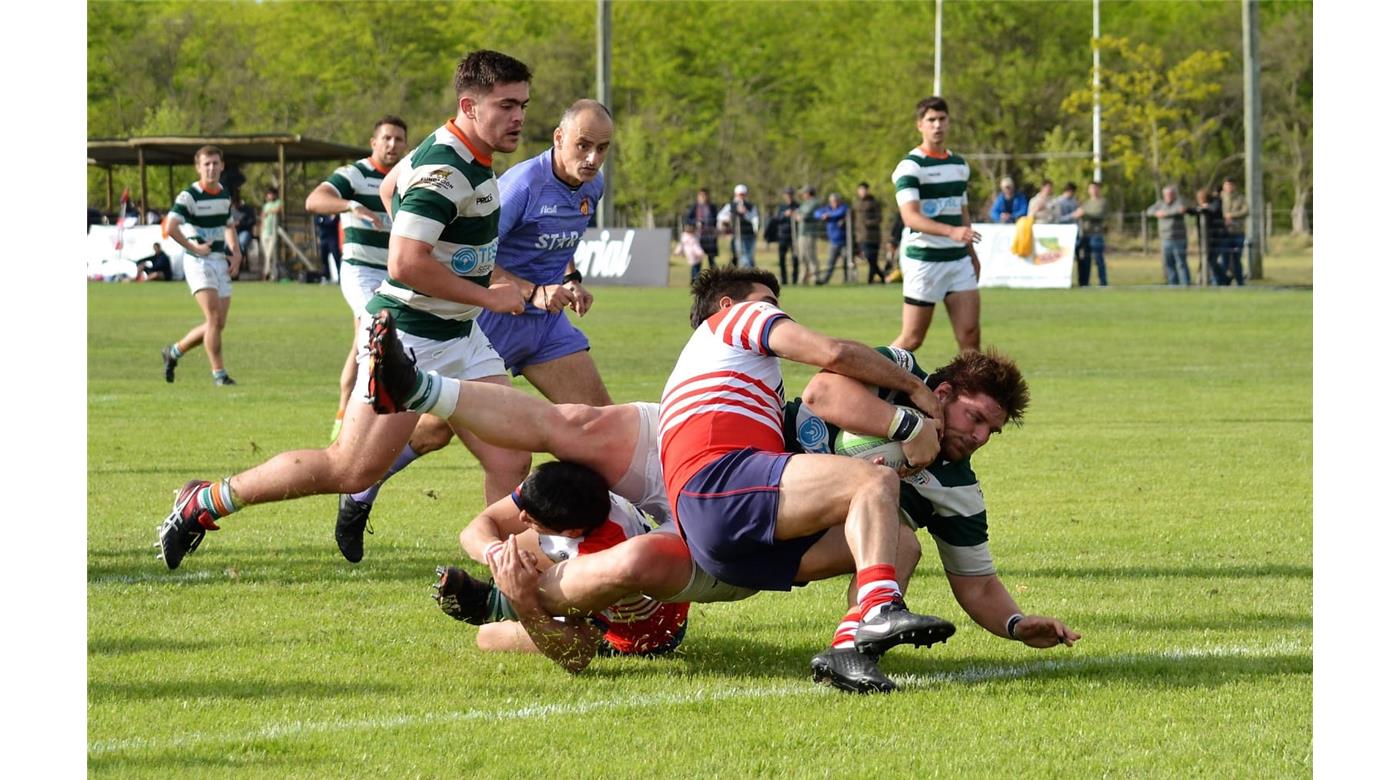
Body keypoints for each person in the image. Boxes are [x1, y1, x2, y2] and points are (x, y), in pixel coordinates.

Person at [155, 49, 537, 569]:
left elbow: (387, 186)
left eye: (523, 105)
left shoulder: (461, 148)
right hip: (411, 337)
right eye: (506, 105)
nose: (518, 117)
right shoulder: (447, 169)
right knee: (350, 468)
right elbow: (403, 263)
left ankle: (510, 584)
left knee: (511, 454)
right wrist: (488, 295)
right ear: (469, 105)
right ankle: (205, 501)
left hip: (459, 336)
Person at [790, 348, 1079, 655]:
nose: (980, 437)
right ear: (942, 393)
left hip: (793, 549)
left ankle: (850, 650)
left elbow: (978, 585)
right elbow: (820, 393)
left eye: (991, 431)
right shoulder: (897, 374)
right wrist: (908, 427)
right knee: (873, 486)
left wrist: (1016, 624)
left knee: (902, 543)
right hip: (754, 489)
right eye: (975, 417)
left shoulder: (958, 489)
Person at [304, 116, 454, 552]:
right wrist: (347, 206)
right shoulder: (356, 174)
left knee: (365, 348)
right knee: (375, 337)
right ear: (373, 141)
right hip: (362, 274)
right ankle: (354, 434)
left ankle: (348, 426)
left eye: (399, 139)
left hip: (399, 279)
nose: (392, 145)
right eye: (386, 138)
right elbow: (317, 199)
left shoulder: (411, 174)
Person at [442, 461, 688, 672]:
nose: (521, 518)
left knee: (487, 636)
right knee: (515, 544)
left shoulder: (596, 558)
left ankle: (497, 605)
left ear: (572, 532)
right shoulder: (569, 488)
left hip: (642, 636)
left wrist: (524, 604)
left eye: (532, 518)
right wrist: (495, 553)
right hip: (652, 591)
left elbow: (576, 654)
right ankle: (508, 592)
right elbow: (480, 526)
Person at [476, 99, 614, 408]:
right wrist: (532, 291)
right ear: (559, 138)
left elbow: (558, 239)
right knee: (434, 430)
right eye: (584, 145)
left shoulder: (593, 185)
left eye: (603, 148)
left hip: (546, 324)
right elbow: (470, 258)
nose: (593, 158)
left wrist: (571, 279)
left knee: (599, 420)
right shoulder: (521, 186)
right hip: (490, 322)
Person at [890, 96, 982, 354]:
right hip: (925, 261)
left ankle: (968, 395)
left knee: (970, 337)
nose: (937, 125)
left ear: (949, 122)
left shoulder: (959, 165)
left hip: (957, 260)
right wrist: (952, 232)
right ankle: (868, 382)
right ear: (920, 124)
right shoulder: (910, 166)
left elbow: (962, 210)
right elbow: (911, 218)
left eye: (942, 119)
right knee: (911, 340)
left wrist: (971, 253)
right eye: (931, 120)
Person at [160, 145, 243, 386]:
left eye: (215, 163)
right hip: (198, 262)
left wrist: (236, 253)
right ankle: (220, 375)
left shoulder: (224, 195)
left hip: (219, 261)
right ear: (198, 167)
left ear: (222, 165)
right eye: (206, 164)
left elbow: (228, 225)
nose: (211, 168)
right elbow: (171, 226)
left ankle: (174, 352)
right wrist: (194, 247)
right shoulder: (189, 196)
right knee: (214, 318)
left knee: (216, 324)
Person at [1147, 185, 1190, 285]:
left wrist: (1164, 214)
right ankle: (1173, 285)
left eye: (1170, 194)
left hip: (1179, 239)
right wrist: (1156, 213)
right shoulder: (1160, 203)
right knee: (1168, 264)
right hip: (1165, 239)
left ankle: (1186, 285)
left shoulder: (1179, 201)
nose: (1168, 196)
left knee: (1181, 263)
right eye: (1166, 194)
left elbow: (1180, 210)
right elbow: (1149, 211)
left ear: (1174, 194)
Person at [1187, 187, 1229, 285]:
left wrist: (1205, 207)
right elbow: (1192, 210)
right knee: (1206, 259)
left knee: (1210, 259)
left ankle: (1220, 279)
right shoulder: (1200, 206)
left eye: (1202, 198)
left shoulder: (1216, 202)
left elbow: (1213, 209)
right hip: (1204, 238)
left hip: (1216, 237)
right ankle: (1218, 279)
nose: (1200, 201)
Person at [1072, 181, 1109, 286]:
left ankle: (1103, 282)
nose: (1093, 190)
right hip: (1085, 235)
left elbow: (1099, 214)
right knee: (1085, 259)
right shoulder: (1086, 203)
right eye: (1091, 188)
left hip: (1096, 234)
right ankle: (1085, 282)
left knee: (1098, 259)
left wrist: (1084, 213)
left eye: (1095, 188)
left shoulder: (1102, 202)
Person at [717, 184, 760, 268]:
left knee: (749, 256)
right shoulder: (731, 206)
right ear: (736, 194)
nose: (741, 196)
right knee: (743, 255)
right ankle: (747, 275)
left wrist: (745, 213)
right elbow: (721, 216)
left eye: (743, 194)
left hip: (750, 235)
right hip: (737, 235)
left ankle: (751, 275)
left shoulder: (751, 206)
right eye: (740, 194)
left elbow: (754, 219)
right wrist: (729, 218)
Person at [852, 182, 886, 284]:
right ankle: (880, 277)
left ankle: (872, 280)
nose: (862, 192)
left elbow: (879, 218)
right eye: (860, 190)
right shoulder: (856, 203)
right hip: (860, 236)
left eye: (864, 190)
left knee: (872, 258)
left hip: (872, 236)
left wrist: (868, 223)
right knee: (869, 258)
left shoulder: (873, 203)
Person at [765, 187, 799, 285]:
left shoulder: (797, 206)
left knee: (795, 258)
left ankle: (795, 280)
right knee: (782, 258)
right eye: (787, 194)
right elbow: (776, 219)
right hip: (783, 236)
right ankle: (784, 280)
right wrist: (785, 215)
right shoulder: (781, 207)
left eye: (790, 194)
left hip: (794, 236)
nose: (788, 196)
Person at [813, 192, 850, 285]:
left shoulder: (843, 207)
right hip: (833, 241)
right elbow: (816, 213)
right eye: (832, 201)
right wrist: (823, 215)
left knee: (846, 262)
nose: (834, 203)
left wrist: (828, 215)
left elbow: (839, 213)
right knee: (830, 263)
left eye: (835, 201)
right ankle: (824, 281)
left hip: (845, 241)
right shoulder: (828, 208)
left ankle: (847, 280)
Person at [1219, 177, 1248, 286]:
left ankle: (1240, 282)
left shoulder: (1241, 198)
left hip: (1237, 233)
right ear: (1224, 186)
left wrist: (1232, 216)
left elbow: (1246, 210)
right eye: (1227, 185)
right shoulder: (1219, 198)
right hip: (1224, 234)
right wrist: (1223, 218)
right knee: (1224, 259)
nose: (1229, 187)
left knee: (1237, 259)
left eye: (1231, 185)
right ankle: (1222, 281)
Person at [683, 189, 720, 271]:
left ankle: (714, 279)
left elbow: (716, 220)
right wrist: (696, 223)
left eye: (704, 195)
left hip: (710, 237)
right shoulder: (694, 207)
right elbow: (687, 220)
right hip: (698, 237)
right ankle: (695, 280)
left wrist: (716, 229)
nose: (703, 197)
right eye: (701, 195)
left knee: (711, 259)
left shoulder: (712, 207)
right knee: (697, 260)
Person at [795, 186, 822, 285]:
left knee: (810, 255)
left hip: (809, 233)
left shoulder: (814, 203)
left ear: (808, 193)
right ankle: (803, 279)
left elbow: (805, 215)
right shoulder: (804, 204)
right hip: (802, 233)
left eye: (804, 193)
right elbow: (798, 213)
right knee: (802, 256)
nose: (802, 195)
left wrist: (799, 215)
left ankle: (815, 278)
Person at [259, 186, 282, 279]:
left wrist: (268, 212)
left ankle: (265, 272)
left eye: (272, 194)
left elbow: (277, 209)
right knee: (267, 255)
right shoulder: (265, 205)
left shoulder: (277, 203)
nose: (270, 196)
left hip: (273, 232)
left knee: (269, 254)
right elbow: (262, 217)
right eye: (269, 194)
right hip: (265, 232)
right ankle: (272, 274)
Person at [313, 212, 340, 281]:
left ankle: (340, 276)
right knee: (324, 258)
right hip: (323, 239)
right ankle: (326, 276)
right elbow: (317, 221)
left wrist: (324, 221)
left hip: (333, 239)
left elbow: (333, 222)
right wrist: (328, 220)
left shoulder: (334, 212)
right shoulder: (320, 213)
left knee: (336, 257)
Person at [231, 195, 256, 261]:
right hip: (233, 231)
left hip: (245, 230)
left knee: (241, 242)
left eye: (236, 203)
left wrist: (241, 223)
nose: (235, 205)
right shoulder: (230, 210)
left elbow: (252, 221)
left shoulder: (248, 209)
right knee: (228, 244)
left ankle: (240, 261)